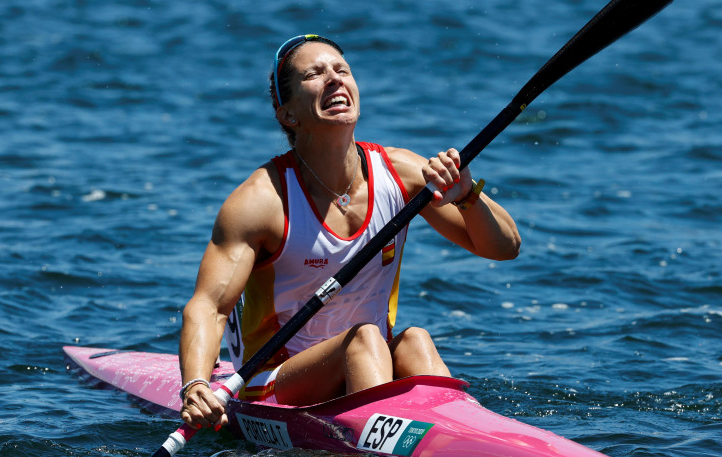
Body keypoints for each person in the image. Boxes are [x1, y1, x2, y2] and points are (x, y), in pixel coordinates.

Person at [179, 34, 520, 431]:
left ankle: (463, 438)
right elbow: (209, 307)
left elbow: (505, 248)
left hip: (368, 363)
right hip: (271, 382)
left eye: (343, 70)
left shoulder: (403, 173)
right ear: (287, 114)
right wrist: (197, 386)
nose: (334, 79)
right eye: (315, 74)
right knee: (363, 340)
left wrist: (467, 197)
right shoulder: (261, 201)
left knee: (415, 341)